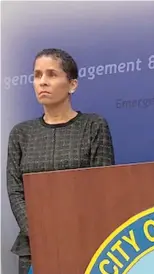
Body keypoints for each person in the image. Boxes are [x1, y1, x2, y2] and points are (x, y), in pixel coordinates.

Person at [6, 48, 115, 274]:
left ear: (72, 85)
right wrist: (36, 231)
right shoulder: (21, 133)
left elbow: (102, 185)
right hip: (33, 246)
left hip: (84, 243)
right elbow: (15, 189)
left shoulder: (93, 126)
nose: (42, 82)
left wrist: (71, 231)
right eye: (37, 75)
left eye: (51, 75)